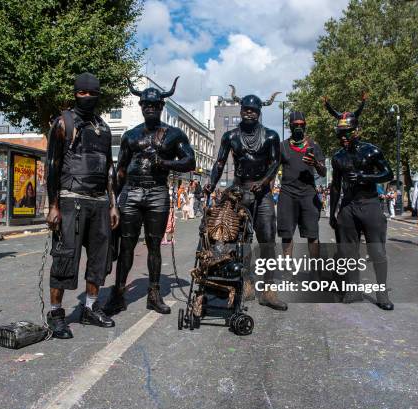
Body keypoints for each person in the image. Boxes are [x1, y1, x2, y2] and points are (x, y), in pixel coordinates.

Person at [104, 77, 196, 316]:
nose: (150, 108)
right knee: (127, 245)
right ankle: (119, 293)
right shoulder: (130, 135)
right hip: (132, 192)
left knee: (154, 245)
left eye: (155, 105)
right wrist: (113, 202)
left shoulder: (174, 134)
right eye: (146, 104)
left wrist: (165, 162)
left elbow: (190, 161)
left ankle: (154, 294)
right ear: (141, 107)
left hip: (157, 191)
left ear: (161, 107)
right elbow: (120, 170)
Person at [44, 72, 120, 338]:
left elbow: (110, 168)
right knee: (65, 259)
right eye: (81, 93)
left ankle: (90, 308)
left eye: (91, 93)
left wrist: (112, 204)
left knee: (100, 260)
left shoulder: (104, 128)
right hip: (70, 201)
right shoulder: (63, 122)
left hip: (99, 203)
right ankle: (55, 313)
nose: (86, 97)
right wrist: (53, 205)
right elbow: (51, 166)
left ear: (98, 95)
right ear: (75, 93)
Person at [204, 85, 284, 310]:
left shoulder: (270, 135)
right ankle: (245, 282)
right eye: (245, 109)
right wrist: (211, 182)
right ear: (240, 111)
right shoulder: (231, 136)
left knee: (267, 240)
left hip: (262, 194)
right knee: (238, 241)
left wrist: (264, 182)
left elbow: (275, 162)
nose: (249, 113)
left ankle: (269, 290)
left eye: (253, 110)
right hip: (238, 192)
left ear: (259, 112)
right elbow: (219, 162)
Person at [326, 93, 394, 311]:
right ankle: (352, 289)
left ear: (357, 131)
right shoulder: (338, 157)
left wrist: (366, 178)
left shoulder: (371, 150)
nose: (343, 138)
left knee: (377, 251)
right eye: (340, 134)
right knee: (348, 252)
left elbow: (388, 173)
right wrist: (332, 212)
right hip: (348, 206)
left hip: (370, 203)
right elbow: (335, 185)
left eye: (347, 133)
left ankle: (382, 293)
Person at [277, 111, 326, 266]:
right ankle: (287, 267)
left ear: (305, 125)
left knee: (312, 234)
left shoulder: (314, 145)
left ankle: (315, 270)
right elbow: (272, 171)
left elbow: (323, 171)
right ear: (290, 126)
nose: (298, 127)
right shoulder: (282, 146)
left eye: (301, 124)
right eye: (295, 124)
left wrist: (316, 164)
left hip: (308, 194)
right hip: (287, 194)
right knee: (287, 234)